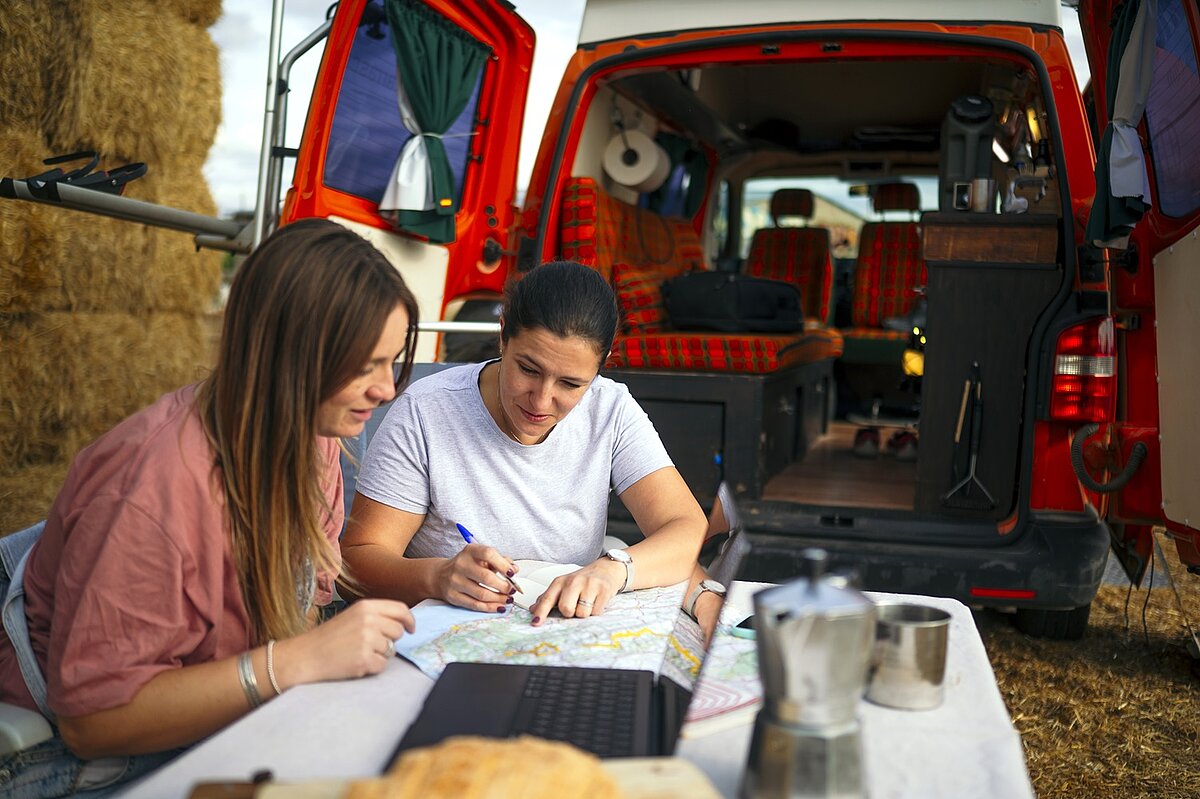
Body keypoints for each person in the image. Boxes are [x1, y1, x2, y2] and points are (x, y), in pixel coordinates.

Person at [0, 219, 420, 798]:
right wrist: (291, 664)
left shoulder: (316, 436)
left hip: (222, 726)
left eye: (392, 361)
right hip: (84, 765)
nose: (388, 389)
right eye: (364, 365)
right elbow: (91, 722)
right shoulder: (151, 488)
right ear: (285, 356)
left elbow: (301, 609)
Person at [342, 260, 710, 625]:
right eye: (528, 370)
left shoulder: (609, 409)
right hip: (450, 634)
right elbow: (356, 564)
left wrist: (614, 570)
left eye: (570, 384)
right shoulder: (427, 412)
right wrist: (437, 577)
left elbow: (685, 527)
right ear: (503, 335)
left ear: (601, 366)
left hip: (561, 630)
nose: (540, 401)